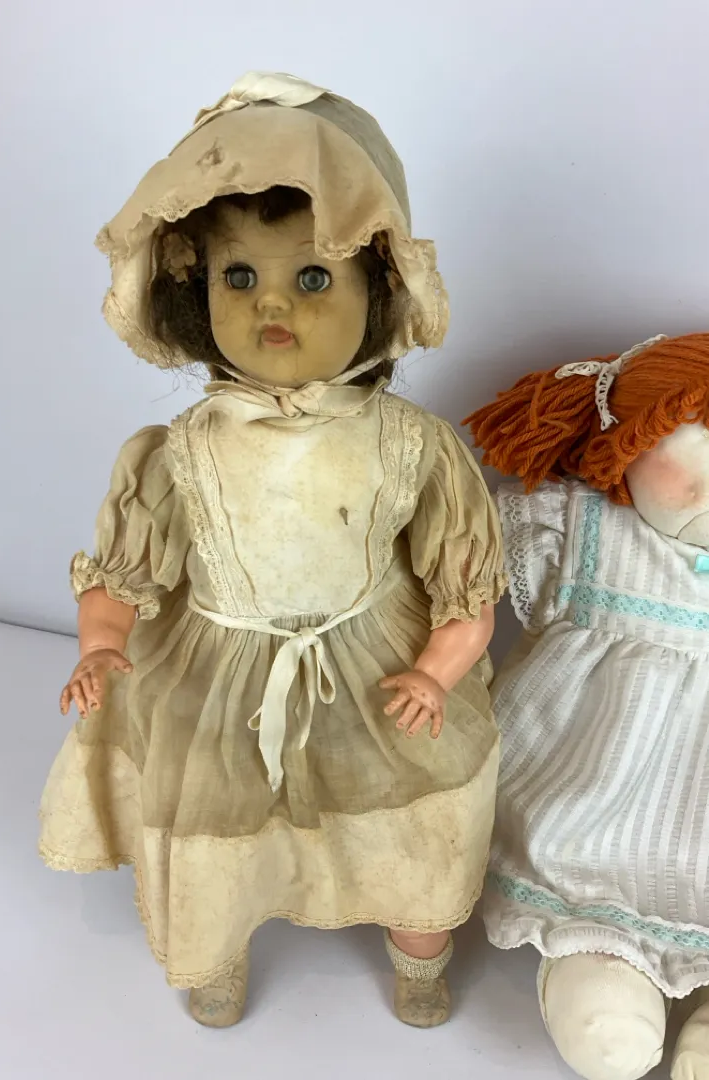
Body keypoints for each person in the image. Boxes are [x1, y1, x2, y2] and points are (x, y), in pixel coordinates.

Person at [40, 71, 505, 1028]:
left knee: (411, 816)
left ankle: (418, 952)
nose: (270, 304)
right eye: (239, 277)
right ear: (194, 289)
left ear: (379, 288)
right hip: (219, 669)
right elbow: (126, 570)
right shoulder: (179, 452)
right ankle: (215, 948)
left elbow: (465, 586)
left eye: (313, 276)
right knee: (220, 818)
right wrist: (100, 641)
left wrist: (436, 671)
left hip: (374, 665)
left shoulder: (411, 444)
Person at [465, 333, 709, 1079]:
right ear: (624, 447)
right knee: (592, 911)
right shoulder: (581, 528)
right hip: (597, 793)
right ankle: (598, 963)